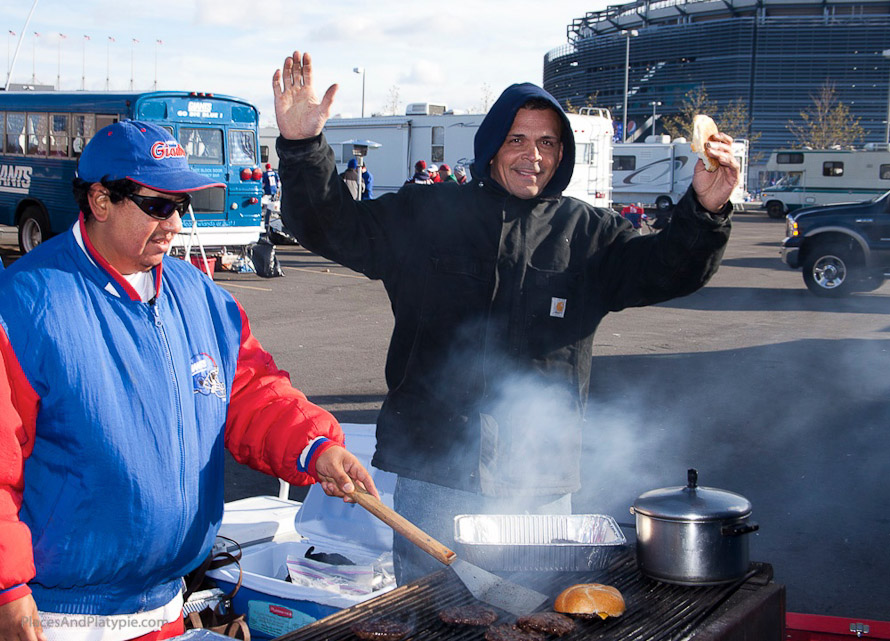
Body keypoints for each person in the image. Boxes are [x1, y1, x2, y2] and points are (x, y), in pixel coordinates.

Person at [272, 50, 737, 586]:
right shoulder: (428, 214)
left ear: (561, 153)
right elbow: (331, 225)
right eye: (517, 139)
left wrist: (705, 214)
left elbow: (669, 268)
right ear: (491, 146)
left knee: (533, 615)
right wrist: (305, 149)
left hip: (539, 480)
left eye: (546, 142)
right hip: (435, 473)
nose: (531, 155)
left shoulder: (587, 233)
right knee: (430, 618)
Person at [0, 120, 378, 641]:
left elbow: (248, 392)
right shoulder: (24, 303)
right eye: (157, 205)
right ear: (101, 199)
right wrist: (7, 588)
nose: (174, 223)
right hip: (59, 618)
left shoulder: (201, 296)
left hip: (165, 610)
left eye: (182, 204)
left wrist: (314, 446)